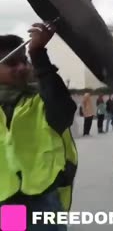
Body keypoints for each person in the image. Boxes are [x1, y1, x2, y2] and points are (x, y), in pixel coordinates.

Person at [0, 24, 78, 230]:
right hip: (8, 198)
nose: (22, 67)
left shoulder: (40, 98)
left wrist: (37, 53)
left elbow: (64, 110)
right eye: (11, 63)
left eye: (24, 61)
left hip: (43, 199)